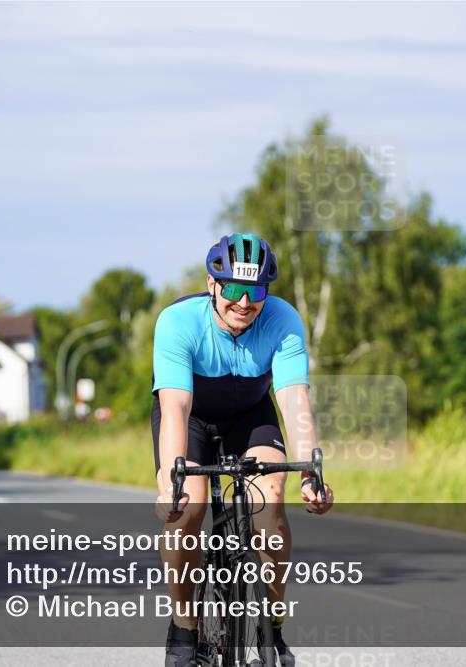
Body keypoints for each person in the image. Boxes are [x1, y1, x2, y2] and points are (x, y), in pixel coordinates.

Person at [152, 233, 335, 667]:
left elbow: (293, 399)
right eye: (233, 288)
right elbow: (175, 408)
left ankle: (272, 628)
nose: (244, 302)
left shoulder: (283, 319)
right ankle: (184, 625)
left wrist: (311, 471)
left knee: (271, 502)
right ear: (212, 284)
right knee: (189, 506)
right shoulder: (177, 322)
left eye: (254, 291)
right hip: (191, 417)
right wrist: (170, 483)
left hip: (251, 414)